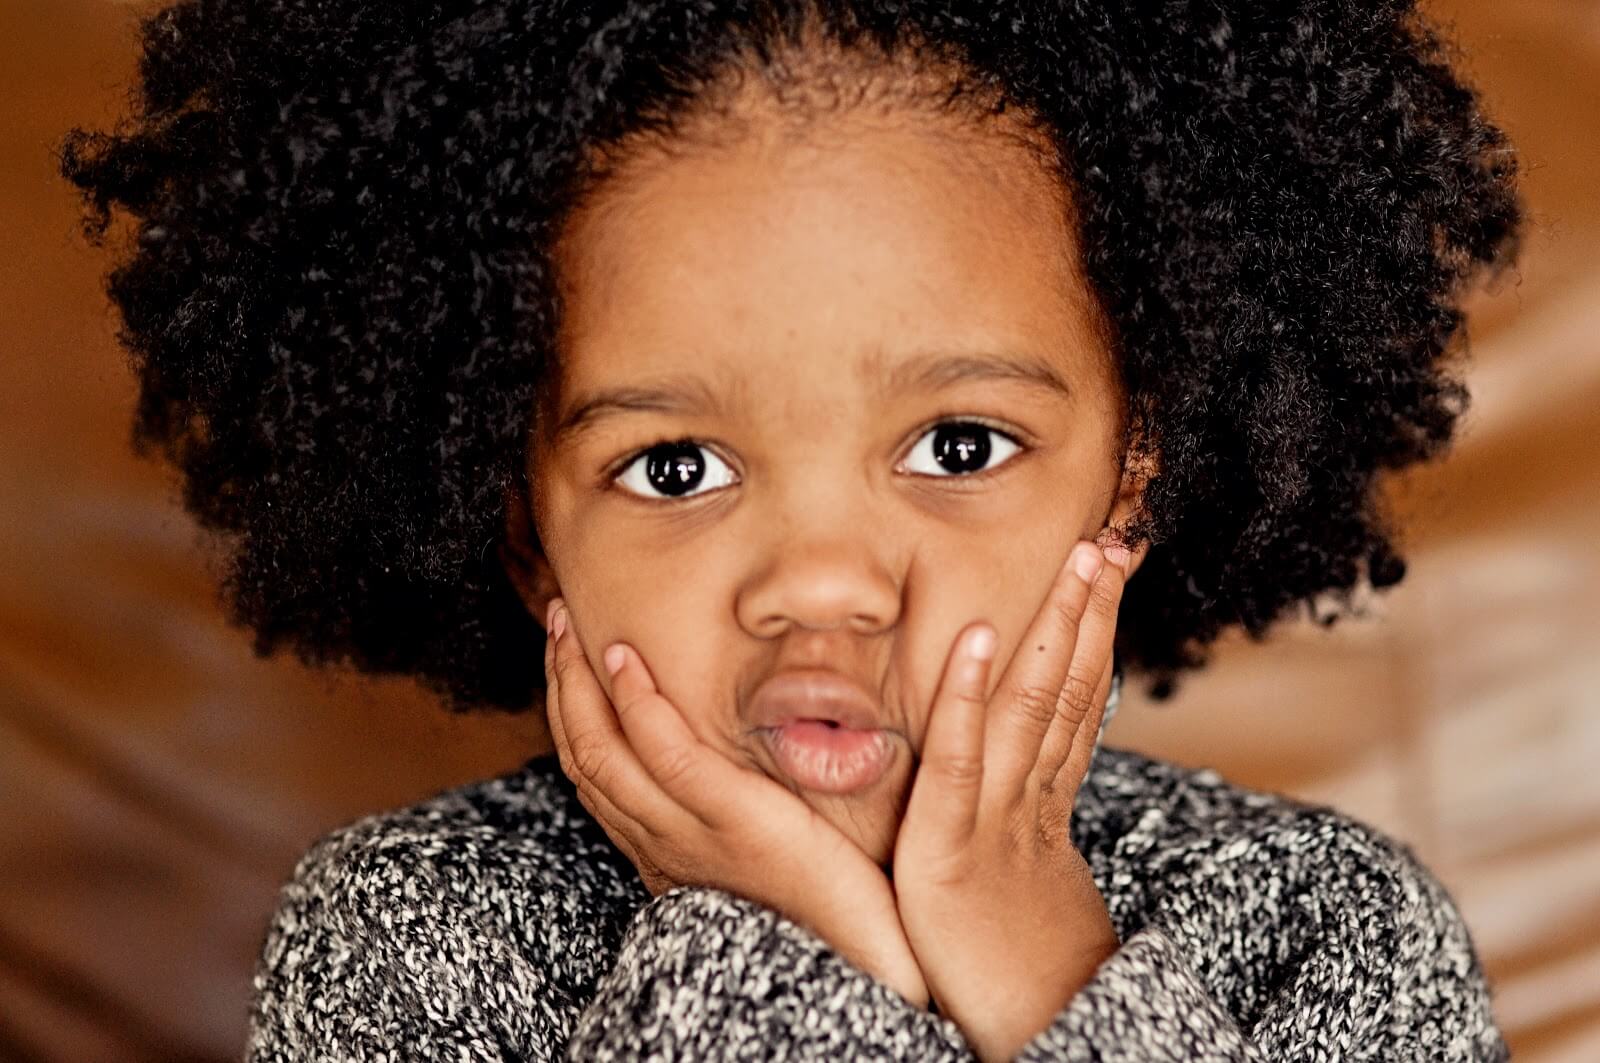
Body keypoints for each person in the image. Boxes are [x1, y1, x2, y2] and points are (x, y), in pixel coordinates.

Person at [58, 0, 1523, 1059]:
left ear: (1129, 480)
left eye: (957, 447)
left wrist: (1047, 963)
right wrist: (810, 942)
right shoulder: (403, 937)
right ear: (524, 533)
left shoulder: (1328, 924)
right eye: (678, 467)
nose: (821, 584)